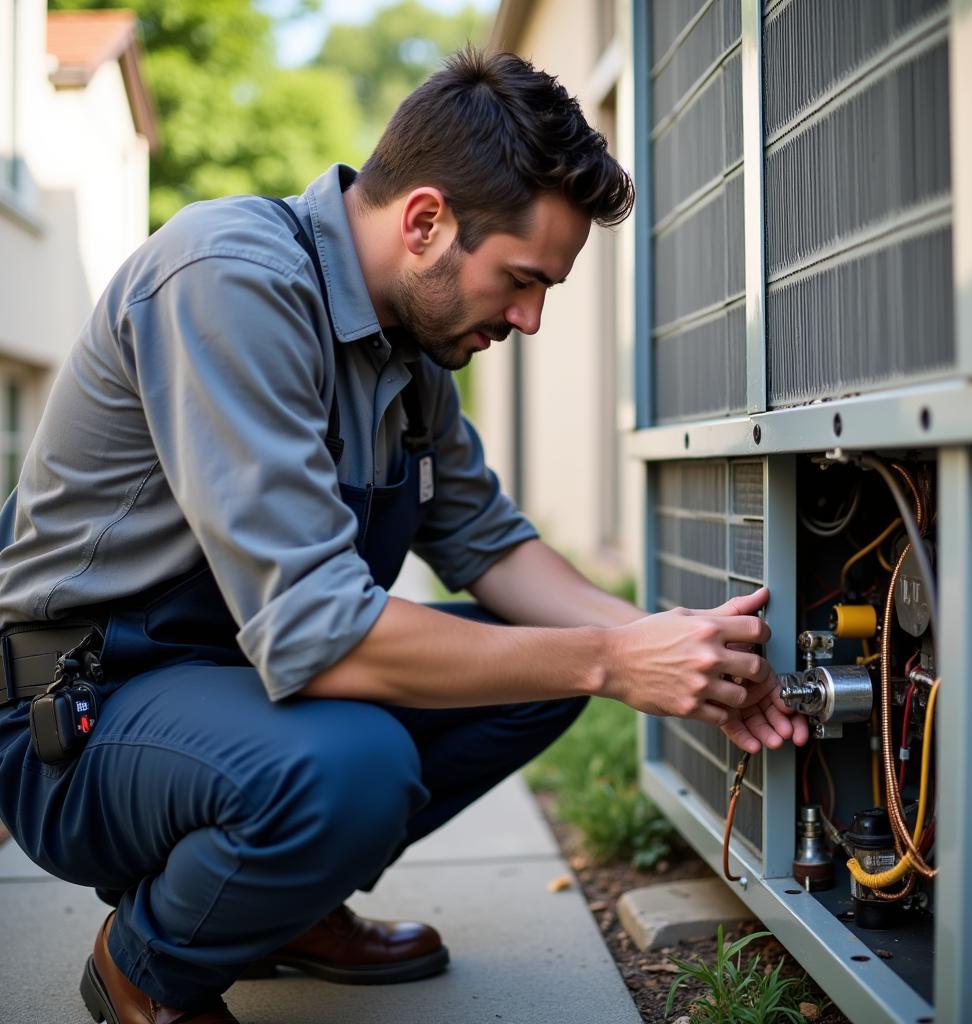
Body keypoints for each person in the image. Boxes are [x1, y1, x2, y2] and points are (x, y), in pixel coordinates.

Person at [0, 48, 806, 1024]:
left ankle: (272, 904)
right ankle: (149, 967)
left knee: (534, 683)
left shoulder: (408, 358)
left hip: (230, 695)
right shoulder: (229, 280)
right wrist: (605, 660)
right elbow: (317, 631)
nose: (532, 318)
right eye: (519, 279)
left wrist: (666, 647)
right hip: (81, 721)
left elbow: (492, 545)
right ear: (424, 221)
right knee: (359, 764)